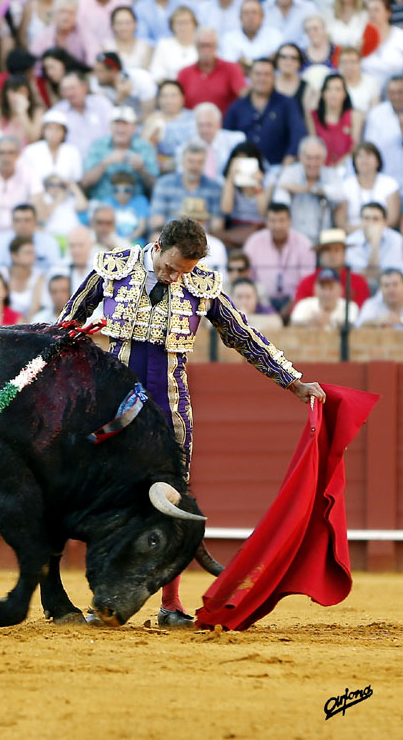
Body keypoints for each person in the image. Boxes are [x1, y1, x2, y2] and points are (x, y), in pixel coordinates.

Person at [59, 215, 324, 627]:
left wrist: (291, 380)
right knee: (110, 498)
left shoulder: (200, 283)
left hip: (169, 407)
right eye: (170, 266)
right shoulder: (115, 266)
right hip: (116, 401)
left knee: (173, 502)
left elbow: (243, 335)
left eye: (184, 271)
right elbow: (69, 321)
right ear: (159, 245)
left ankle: (172, 603)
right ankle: (105, 599)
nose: (173, 276)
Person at [244, 201, 316, 316]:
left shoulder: (304, 244)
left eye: (281, 220)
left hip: (295, 301)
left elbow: (306, 282)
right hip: (261, 302)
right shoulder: (254, 243)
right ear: (266, 222)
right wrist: (263, 305)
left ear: (290, 221)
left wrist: (293, 304)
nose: (277, 226)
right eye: (273, 221)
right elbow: (248, 278)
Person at [150, 139, 223, 233]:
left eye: (200, 162)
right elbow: (156, 222)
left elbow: (217, 225)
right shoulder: (164, 183)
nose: (195, 166)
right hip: (170, 237)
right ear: (182, 162)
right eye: (191, 161)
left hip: (203, 238)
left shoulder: (214, 187)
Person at [293, 226, 370, 310]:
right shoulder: (307, 282)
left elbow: (363, 311)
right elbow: (298, 311)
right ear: (320, 254)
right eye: (327, 250)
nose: (332, 255)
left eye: (337, 250)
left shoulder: (358, 282)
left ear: (344, 253)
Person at [344, 201, 403, 291]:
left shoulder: (397, 240)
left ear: (384, 222)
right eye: (366, 218)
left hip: (392, 288)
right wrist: (375, 244)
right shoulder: (350, 241)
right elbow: (365, 277)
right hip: (362, 289)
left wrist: (375, 241)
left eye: (375, 219)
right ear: (361, 221)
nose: (370, 223)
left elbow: (391, 275)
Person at [290, 268, 359, 329]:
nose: (326, 293)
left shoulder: (349, 306)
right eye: (323, 288)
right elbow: (293, 325)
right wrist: (311, 323)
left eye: (331, 288)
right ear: (315, 289)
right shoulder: (304, 304)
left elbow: (352, 328)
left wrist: (329, 322)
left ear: (340, 290)